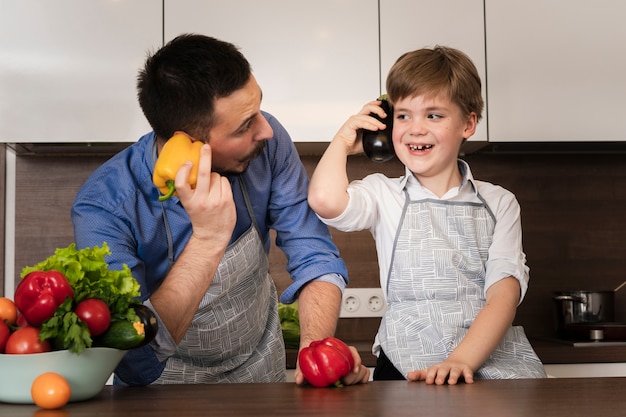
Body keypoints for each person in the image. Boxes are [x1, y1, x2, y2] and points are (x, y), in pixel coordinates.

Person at [71, 33, 370, 386]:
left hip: (260, 370)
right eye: (245, 126)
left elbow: (314, 253)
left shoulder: (267, 146)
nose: (266, 131)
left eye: (259, 109)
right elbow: (134, 360)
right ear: (187, 144)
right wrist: (208, 238)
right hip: (160, 388)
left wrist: (316, 350)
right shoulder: (103, 206)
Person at [308, 46, 547, 385]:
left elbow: (504, 293)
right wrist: (344, 140)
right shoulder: (382, 194)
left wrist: (461, 359)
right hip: (406, 362)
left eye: (433, 115)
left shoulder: (499, 202)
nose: (415, 129)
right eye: (403, 115)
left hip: (488, 358)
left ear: (468, 123)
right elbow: (324, 200)